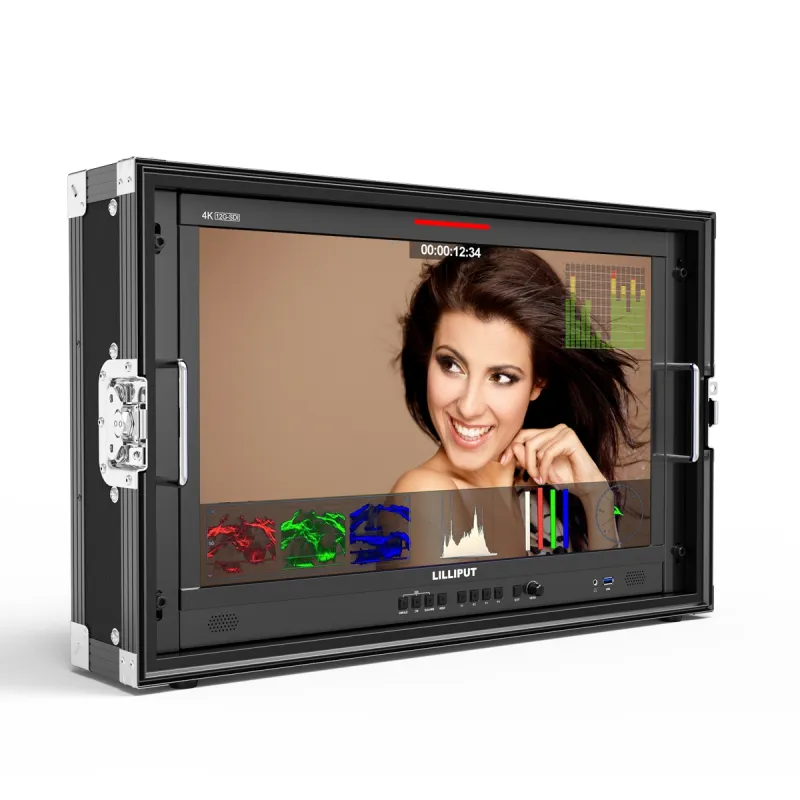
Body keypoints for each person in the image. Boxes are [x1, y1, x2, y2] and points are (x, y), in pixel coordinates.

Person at [390, 247, 645, 552]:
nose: (468, 407)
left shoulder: (543, 491)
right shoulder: (424, 498)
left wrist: (596, 498)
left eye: (501, 377)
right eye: (452, 365)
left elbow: (606, 584)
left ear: (538, 383)